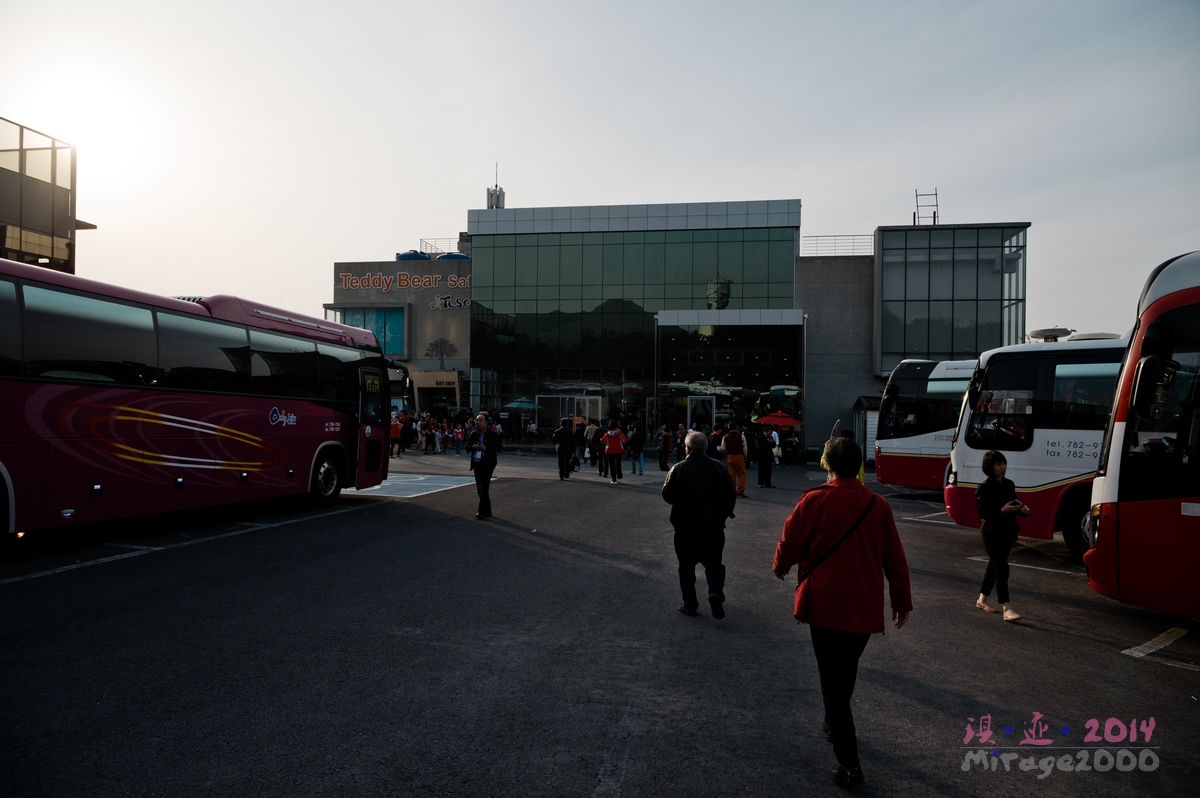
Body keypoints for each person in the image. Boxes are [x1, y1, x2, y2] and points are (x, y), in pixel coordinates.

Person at [772, 437, 912, 787]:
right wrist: (901, 601)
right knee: (844, 672)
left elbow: (791, 540)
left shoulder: (815, 499)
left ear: (827, 464)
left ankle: (850, 763)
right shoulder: (877, 505)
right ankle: (835, 721)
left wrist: (781, 565)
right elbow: (894, 559)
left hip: (824, 604)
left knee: (831, 681)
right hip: (862, 607)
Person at [662, 431, 737, 619]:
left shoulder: (678, 468)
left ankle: (690, 604)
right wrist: (723, 515)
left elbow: (667, 495)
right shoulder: (718, 467)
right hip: (713, 526)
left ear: (687, 448)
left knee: (686, 566)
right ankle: (715, 592)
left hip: (685, 527)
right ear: (705, 447)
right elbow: (730, 494)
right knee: (714, 564)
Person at [975, 450, 1029, 622]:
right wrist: (1001, 510)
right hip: (991, 532)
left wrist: (1022, 510)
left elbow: (1014, 505)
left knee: (994, 567)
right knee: (1002, 568)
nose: (1002, 467)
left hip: (1007, 531)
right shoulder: (984, 488)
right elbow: (983, 513)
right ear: (989, 467)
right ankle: (1007, 608)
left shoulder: (1009, 484)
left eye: (1004, 463)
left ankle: (982, 600)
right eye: (998, 464)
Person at [466, 413, 502, 519]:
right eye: (477, 420)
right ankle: (487, 509)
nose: (478, 422)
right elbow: (467, 446)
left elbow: (499, 448)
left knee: (484, 487)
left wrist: (487, 448)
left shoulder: (492, 434)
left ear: (486, 423)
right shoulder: (473, 434)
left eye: (480, 420)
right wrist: (472, 447)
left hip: (488, 463)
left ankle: (481, 510)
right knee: (479, 488)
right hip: (477, 463)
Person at [720, 423, 749, 497]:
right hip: (739, 455)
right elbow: (745, 447)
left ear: (728, 428)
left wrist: (727, 452)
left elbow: (722, 448)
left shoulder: (725, 437)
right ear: (736, 428)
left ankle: (733, 490)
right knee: (742, 473)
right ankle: (741, 490)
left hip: (730, 456)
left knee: (731, 474)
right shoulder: (741, 436)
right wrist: (745, 455)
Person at [602, 420, 628, 485]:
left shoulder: (608, 433)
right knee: (618, 464)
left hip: (610, 450)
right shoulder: (619, 432)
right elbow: (625, 440)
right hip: (619, 450)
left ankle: (614, 479)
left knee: (612, 465)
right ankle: (619, 476)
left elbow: (602, 440)